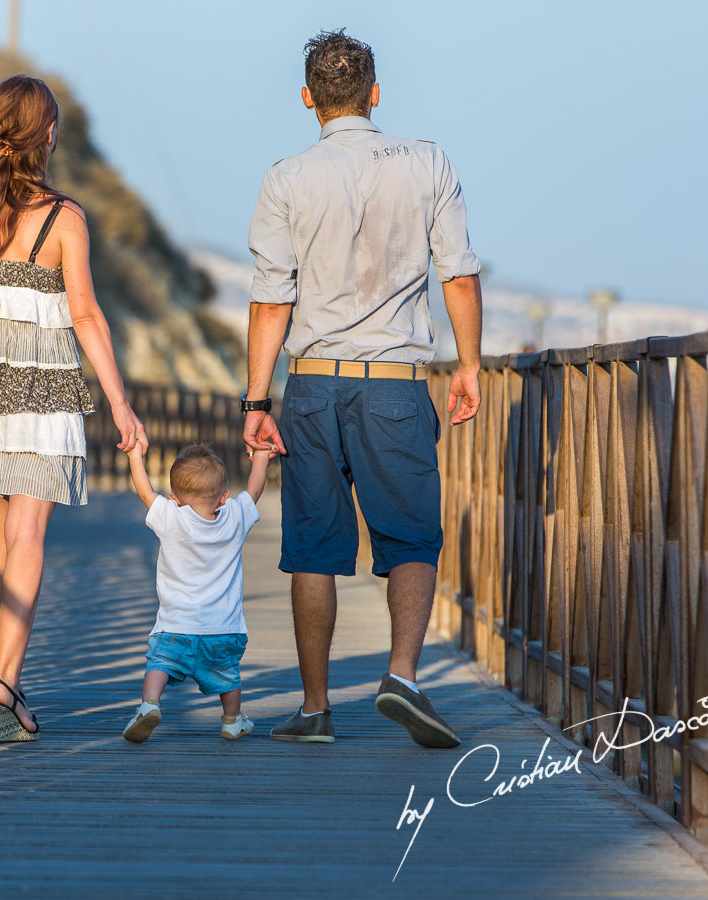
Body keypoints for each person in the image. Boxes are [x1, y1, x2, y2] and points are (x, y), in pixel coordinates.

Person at [243, 29, 483, 748]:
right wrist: (468, 365)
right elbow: (459, 275)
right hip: (395, 383)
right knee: (411, 535)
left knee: (313, 546)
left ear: (309, 98)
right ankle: (402, 675)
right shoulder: (427, 162)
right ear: (374, 93)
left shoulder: (286, 176)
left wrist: (258, 399)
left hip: (314, 384)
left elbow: (269, 302)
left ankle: (316, 709)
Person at [0, 74, 147, 743]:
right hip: (43, 389)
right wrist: (119, 402)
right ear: (48, 135)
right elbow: (84, 314)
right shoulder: (63, 218)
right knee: (27, 538)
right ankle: (5, 683)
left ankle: (4, 678)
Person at [120, 443, 273, 743]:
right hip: (223, 629)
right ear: (224, 495)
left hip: (175, 627)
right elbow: (255, 490)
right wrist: (262, 457)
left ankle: (149, 705)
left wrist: (134, 456)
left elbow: (145, 492)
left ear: (175, 498)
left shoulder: (170, 516)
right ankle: (232, 720)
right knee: (228, 674)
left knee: (159, 664)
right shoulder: (235, 516)